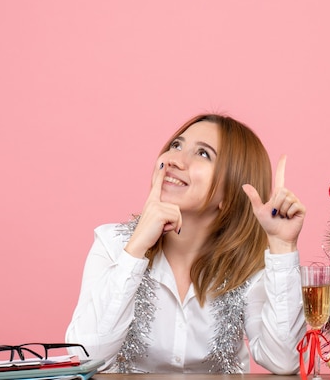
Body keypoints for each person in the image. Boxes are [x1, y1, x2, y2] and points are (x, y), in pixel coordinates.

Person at [65, 113, 307, 374]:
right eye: (176, 145)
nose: (174, 159)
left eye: (203, 154)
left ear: (231, 190)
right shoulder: (113, 244)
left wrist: (282, 245)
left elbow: (285, 360)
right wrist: (135, 249)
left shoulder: (247, 266)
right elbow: (83, 355)